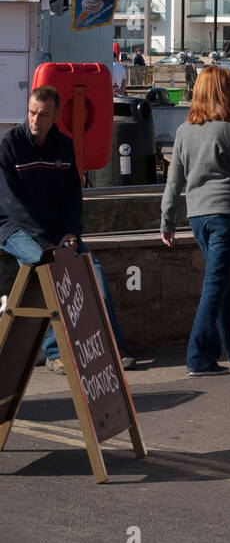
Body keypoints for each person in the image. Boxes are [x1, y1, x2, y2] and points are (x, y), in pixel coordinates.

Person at [0, 86, 135, 372]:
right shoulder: (8, 145)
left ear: (57, 116)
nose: (36, 120)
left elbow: (72, 197)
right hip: (15, 228)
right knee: (48, 268)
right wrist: (45, 242)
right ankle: (54, 351)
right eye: (32, 113)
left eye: (43, 115)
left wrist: (70, 233)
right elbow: (12, 205)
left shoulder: (63, 146)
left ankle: (113, 346)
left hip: (56, 231)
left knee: (92, 271)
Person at [161, 66, 230, 376]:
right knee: (215, 284)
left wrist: (167, 222)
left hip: (196, 216)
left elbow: (173, 182)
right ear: (225, 94)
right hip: (225, 214)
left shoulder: (184, 131)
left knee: (221, 281)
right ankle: (199, 357)